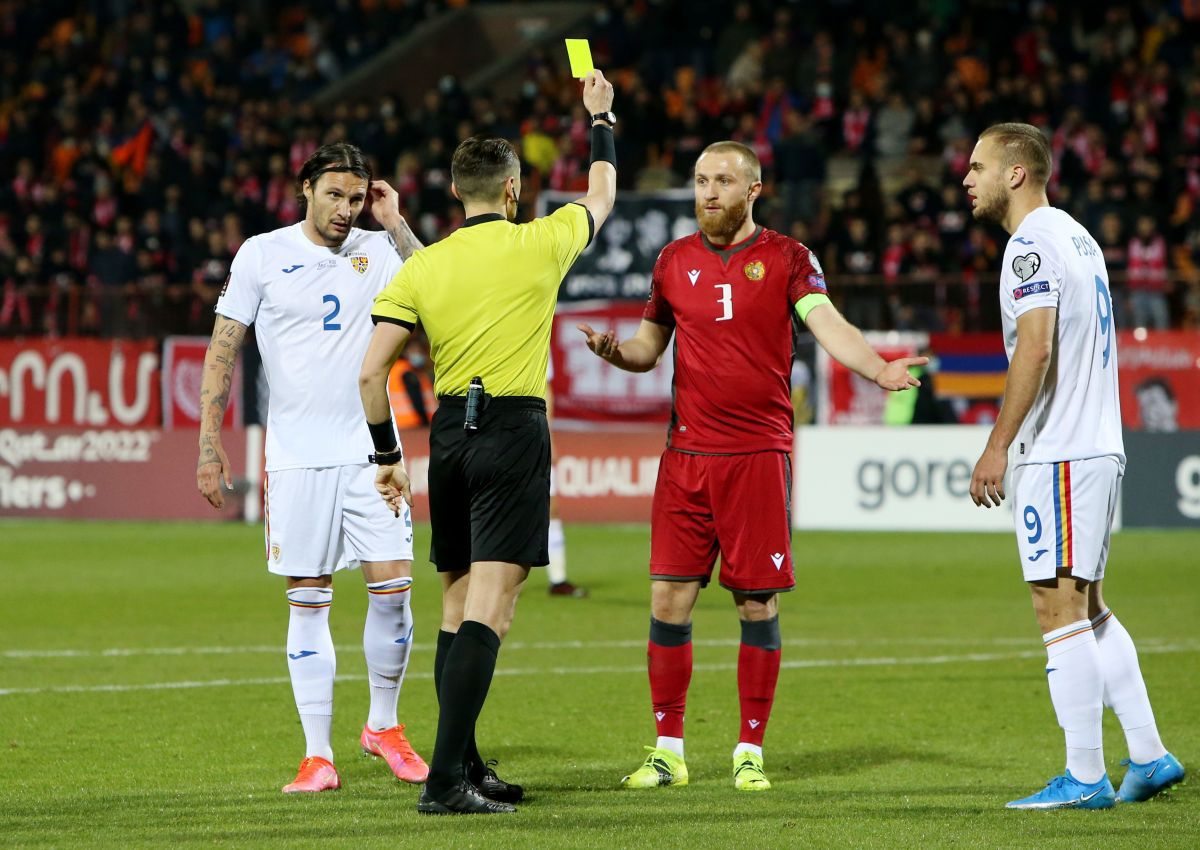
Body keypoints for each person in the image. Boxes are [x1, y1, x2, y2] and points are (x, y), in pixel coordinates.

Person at [577, 140, 926, 792]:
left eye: (723, 181)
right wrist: (616, 353)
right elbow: (650, 349)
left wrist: (877, 366)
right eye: (702, 181)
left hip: (757, 458)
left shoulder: (790, 258)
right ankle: (668, 751)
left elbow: (827, 323)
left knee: (755, 606)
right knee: (667, 601)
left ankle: (749, 751)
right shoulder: (672, 261)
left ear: (753, 189)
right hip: (686, 458)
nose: (709, 192)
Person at [358, 70, 617, 814]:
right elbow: (601, 195)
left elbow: (371, 373)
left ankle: (464, 764)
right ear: (511, 191)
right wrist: (600, 119)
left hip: (447, 438)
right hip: (510, 429)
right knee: (493, 609)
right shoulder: (541, 240)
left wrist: (386, 458)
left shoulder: (427, 263)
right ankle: (443, 783)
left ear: (457, 195)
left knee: (456, 604)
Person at [196, 142, 429, 794]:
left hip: (371, 452)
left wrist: (397, 224)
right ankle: (317, 755)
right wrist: (208, 445)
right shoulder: (261, 254)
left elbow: (440, 294)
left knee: (395, 590)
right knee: (309, 601)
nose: (344, 209)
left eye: (355, 197)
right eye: (334, 194)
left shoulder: (380, 250)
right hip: (296, 459)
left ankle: (383, 726)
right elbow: (222, 350)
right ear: (305, 188)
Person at [964, 122, 1184, 809]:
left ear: (1017, 173)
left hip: (1060, 450)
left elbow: (1035, 349)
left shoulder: (1028, 244)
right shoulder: (1078, 236)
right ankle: (1148, 755)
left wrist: (997, 444)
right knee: (1087, 606)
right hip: (1097, 444)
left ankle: (1085, 775)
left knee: (1053, 604)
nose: (966, 179)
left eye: (978, 167)